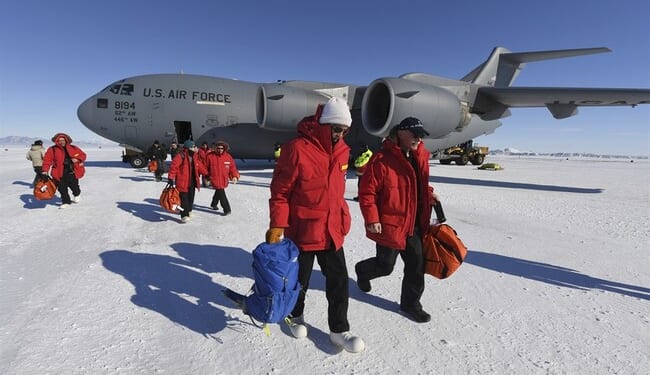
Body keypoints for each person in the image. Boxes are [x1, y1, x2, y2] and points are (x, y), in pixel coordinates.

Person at [267, 97, 364, 353]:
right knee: (300, 281)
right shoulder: (297, 149)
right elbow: (280, 192)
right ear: (324, 124)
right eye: (336, 128)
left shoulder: (343, 150)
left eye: (344, 130)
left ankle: (339, 329)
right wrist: (277, 225)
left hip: (332, 229)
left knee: (339, 281)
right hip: (304, 230)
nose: (340, 134)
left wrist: (343, 215)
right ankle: (294, 316)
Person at [355, 117, 438, 323]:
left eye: (421, 135)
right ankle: (363, 270)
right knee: (385, 266)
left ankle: (411, 304)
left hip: (415, 224)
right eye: (415, 134)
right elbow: (367, 192)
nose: (419, 138)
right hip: (390, 224)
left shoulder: (419, 157)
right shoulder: (382, 159)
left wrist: (429, 194)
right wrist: (372, 218)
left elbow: (418, 184)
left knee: (416, 267)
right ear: (401, 133)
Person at [41, 133, 87, 209]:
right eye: (59, 140)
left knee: (74, 186)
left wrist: (78, 159)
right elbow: (47, 160)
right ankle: (66, 202)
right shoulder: (52, 149)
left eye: (63, 140)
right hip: (58, 173)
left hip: (72, 171)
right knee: (62, 188)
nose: (61, 142)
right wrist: (45, 170)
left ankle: (77, 194)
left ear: (66, 140)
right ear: (56, 141)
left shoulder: (73, 148)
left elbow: (83, 155)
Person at [167, 140, 208, 223]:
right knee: (184, 200)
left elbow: (199, 166)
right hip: (182, 182)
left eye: (194, 146)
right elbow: (173, 167)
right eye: (193, 147)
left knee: (191, 198)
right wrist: (171, 178)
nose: (195, 148)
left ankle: (189, 211)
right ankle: (184, 215)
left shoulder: (195, 156)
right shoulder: (180, 156)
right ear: (188, 148)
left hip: (192, 181)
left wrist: (206, 174)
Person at [206, 141, 240, 215]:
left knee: (219, 192)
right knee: (221, 193)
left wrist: (234, 176)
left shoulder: (228, 157)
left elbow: (232, 168)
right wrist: (207, 177)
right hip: (214, 178)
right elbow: (206, 168)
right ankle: (227, 209)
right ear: (215, 148)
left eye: (222, 148)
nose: (220, 149)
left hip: (224, 178)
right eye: (218, 148)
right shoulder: (210, 156)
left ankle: (213, 204)